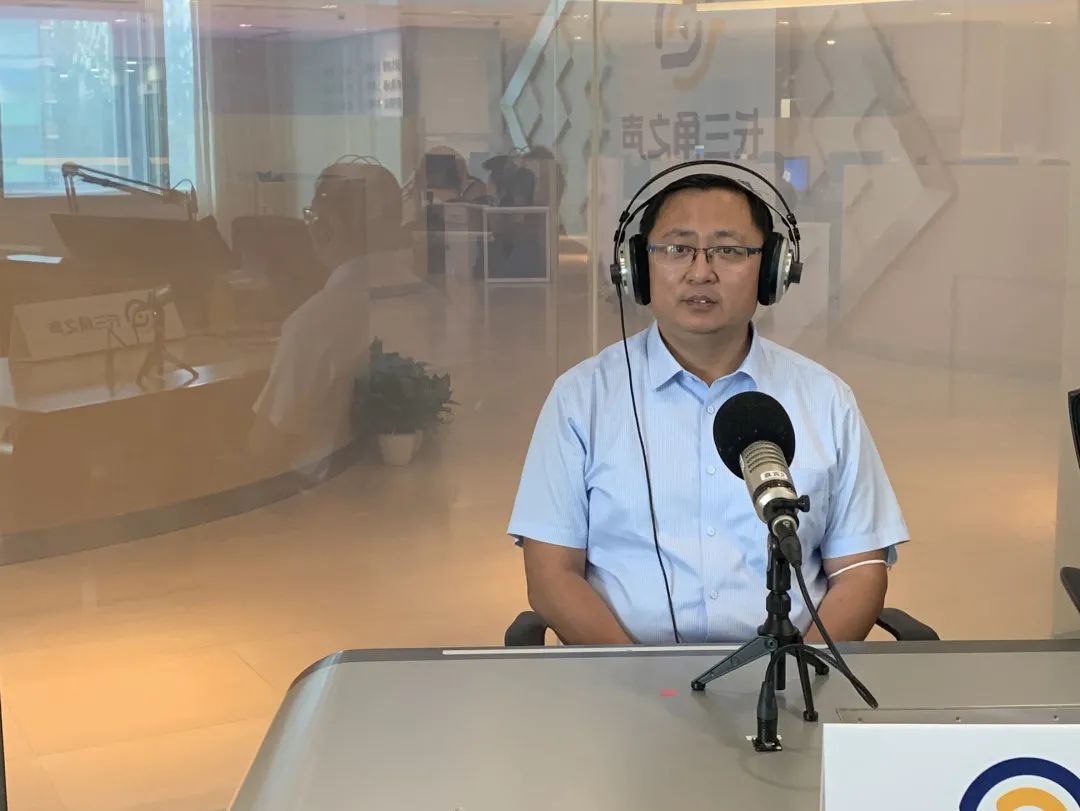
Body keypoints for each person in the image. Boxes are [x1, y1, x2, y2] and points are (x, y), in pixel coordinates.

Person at [507, 172, 909, 645]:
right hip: (625, 679)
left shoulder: (825, 399)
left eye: (730, 251)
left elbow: (859, 570)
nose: (701, 273)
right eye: (677, 248)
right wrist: (641, 678)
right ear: (637, 267)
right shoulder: (582, 399)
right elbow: (551, 575)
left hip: (792, 673)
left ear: (772, 269)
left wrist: (798, 672)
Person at [248, 159, 408, 481]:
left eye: (312, 215)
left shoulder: (314, 324)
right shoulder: (431, 301)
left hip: (324, 497)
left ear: (328, 227)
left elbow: (266, 446)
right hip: (411, 485)